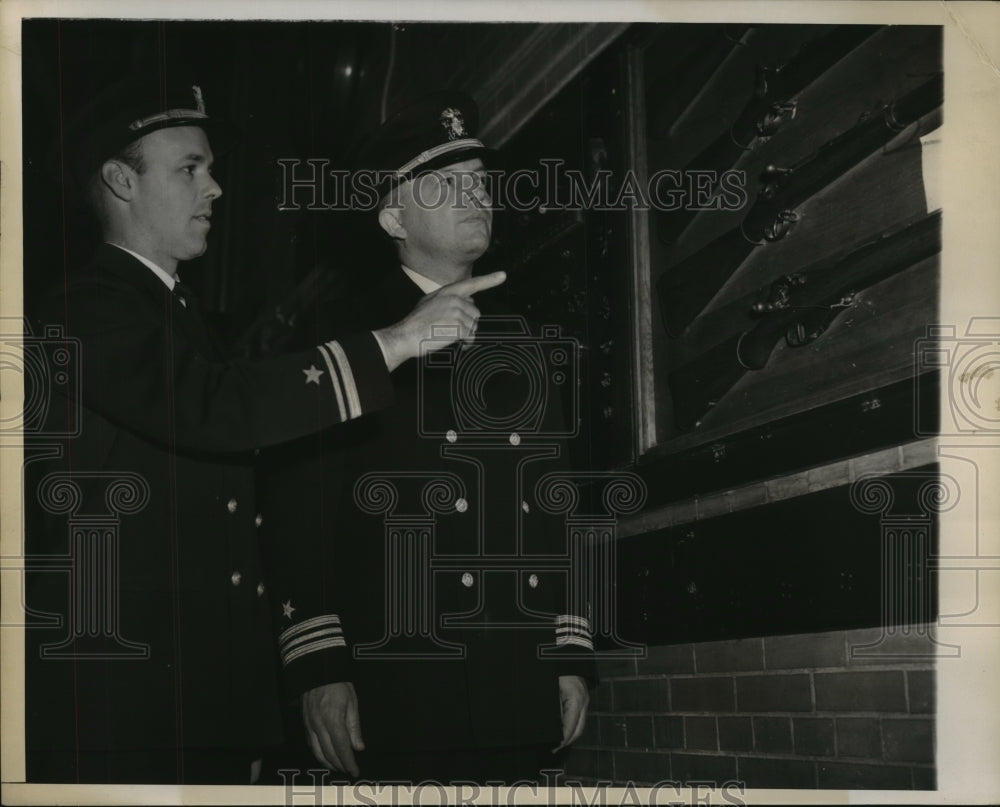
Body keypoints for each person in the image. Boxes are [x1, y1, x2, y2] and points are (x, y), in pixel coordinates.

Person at [22, 80, 504, 785]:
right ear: (121, 181)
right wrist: (393, 343)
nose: (214, 188)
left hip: (201, 706)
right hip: (122, 711)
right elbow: (212, 407)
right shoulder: (84, 308)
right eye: (191, 169)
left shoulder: (178, 318)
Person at [262, 91, 594, 784]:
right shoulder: (343, 337)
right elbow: (299, 512)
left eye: (479, 180)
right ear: (392, 215)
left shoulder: (524, 337)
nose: (475, 193)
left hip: (515, 687)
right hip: (396, 693)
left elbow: (554, 507)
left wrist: (568, 654)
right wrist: (320, 665)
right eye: (444, 182)